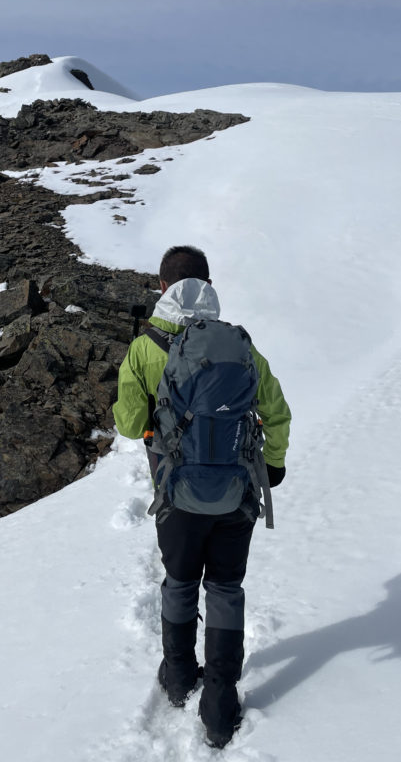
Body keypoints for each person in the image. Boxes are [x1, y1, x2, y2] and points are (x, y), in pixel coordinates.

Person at [112, 245, 291, 749]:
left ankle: (177, 676)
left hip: (176, 495)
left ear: (162, 287)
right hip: (236, 495)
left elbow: (129, 424)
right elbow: (277, 414)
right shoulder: (239, 347)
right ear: (209, 287)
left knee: (180, 582)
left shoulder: (145, 348)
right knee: (227, 590)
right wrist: (272, 466)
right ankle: (219, 705)